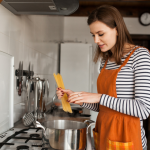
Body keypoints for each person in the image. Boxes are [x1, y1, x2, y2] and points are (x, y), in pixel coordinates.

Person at [56, 5, 150, 150]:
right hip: (104, 133)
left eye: (100, 34)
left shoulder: (140, 56)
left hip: (128, 138)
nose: (96, 40)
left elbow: (143, 109)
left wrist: (99, 97)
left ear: (117, 29)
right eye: (93, 35)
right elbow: (105, 108)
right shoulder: (104, 61)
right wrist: (78, 98)